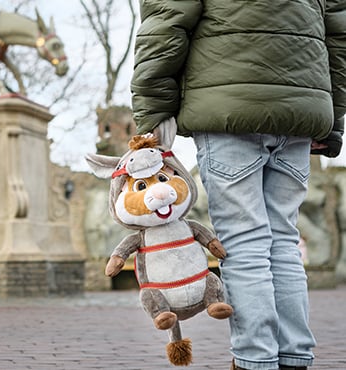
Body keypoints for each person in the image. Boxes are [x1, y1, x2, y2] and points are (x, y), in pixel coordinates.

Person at [129, 1, 345, 370]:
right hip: (300, 110)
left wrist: (151, 112)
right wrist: (332, 118)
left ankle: (255, 360)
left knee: (245, 244)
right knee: (283, 242)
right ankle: (294, 356)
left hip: (227, 111)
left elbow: (165, 27)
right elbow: (339, 38)